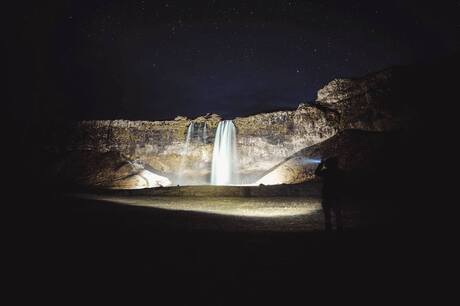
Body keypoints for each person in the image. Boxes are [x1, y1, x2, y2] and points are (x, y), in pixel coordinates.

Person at [315, 157, 344, 231]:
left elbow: (317, 173)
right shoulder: (340, 172)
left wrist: (321, 164)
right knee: (338, 214)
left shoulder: (326, 172)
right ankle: (339, 228)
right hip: (337, 195)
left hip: (327, 195)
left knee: (327, 215)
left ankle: (328, 229)